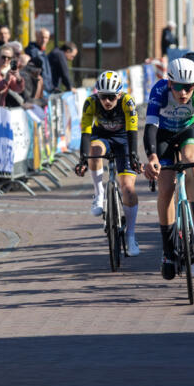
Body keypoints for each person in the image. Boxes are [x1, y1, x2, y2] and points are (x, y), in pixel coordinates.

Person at [143, 56, 194, 281]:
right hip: (163, 134)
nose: (183, 93)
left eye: (188, 88)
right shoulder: (159, 91)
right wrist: (152, 156)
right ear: (170, 83)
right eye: (178, 88)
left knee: (191, 158)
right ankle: (168, 251)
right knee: (165, 188)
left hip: (189, 131)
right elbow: (150, 128)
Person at [75, 70, 142, 255]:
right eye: (103, 97)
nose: (107, 102)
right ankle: (99, 193)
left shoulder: (127, 102)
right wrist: (82, 158)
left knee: (128, 189)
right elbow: (86, 133)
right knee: (94, 151)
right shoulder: (91, 102)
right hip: (101, 137)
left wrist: (134, 155)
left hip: (123, 140)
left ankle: (131, 236)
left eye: (111, 97)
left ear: (119, 94)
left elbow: (133, 131)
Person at [26, 28, 53, 98]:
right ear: (37, 36)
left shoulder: (42, 51)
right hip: (39, 89)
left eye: (46, 38)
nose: (44, 40)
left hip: (47, 88)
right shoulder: (33, 51)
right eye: (42, 37)